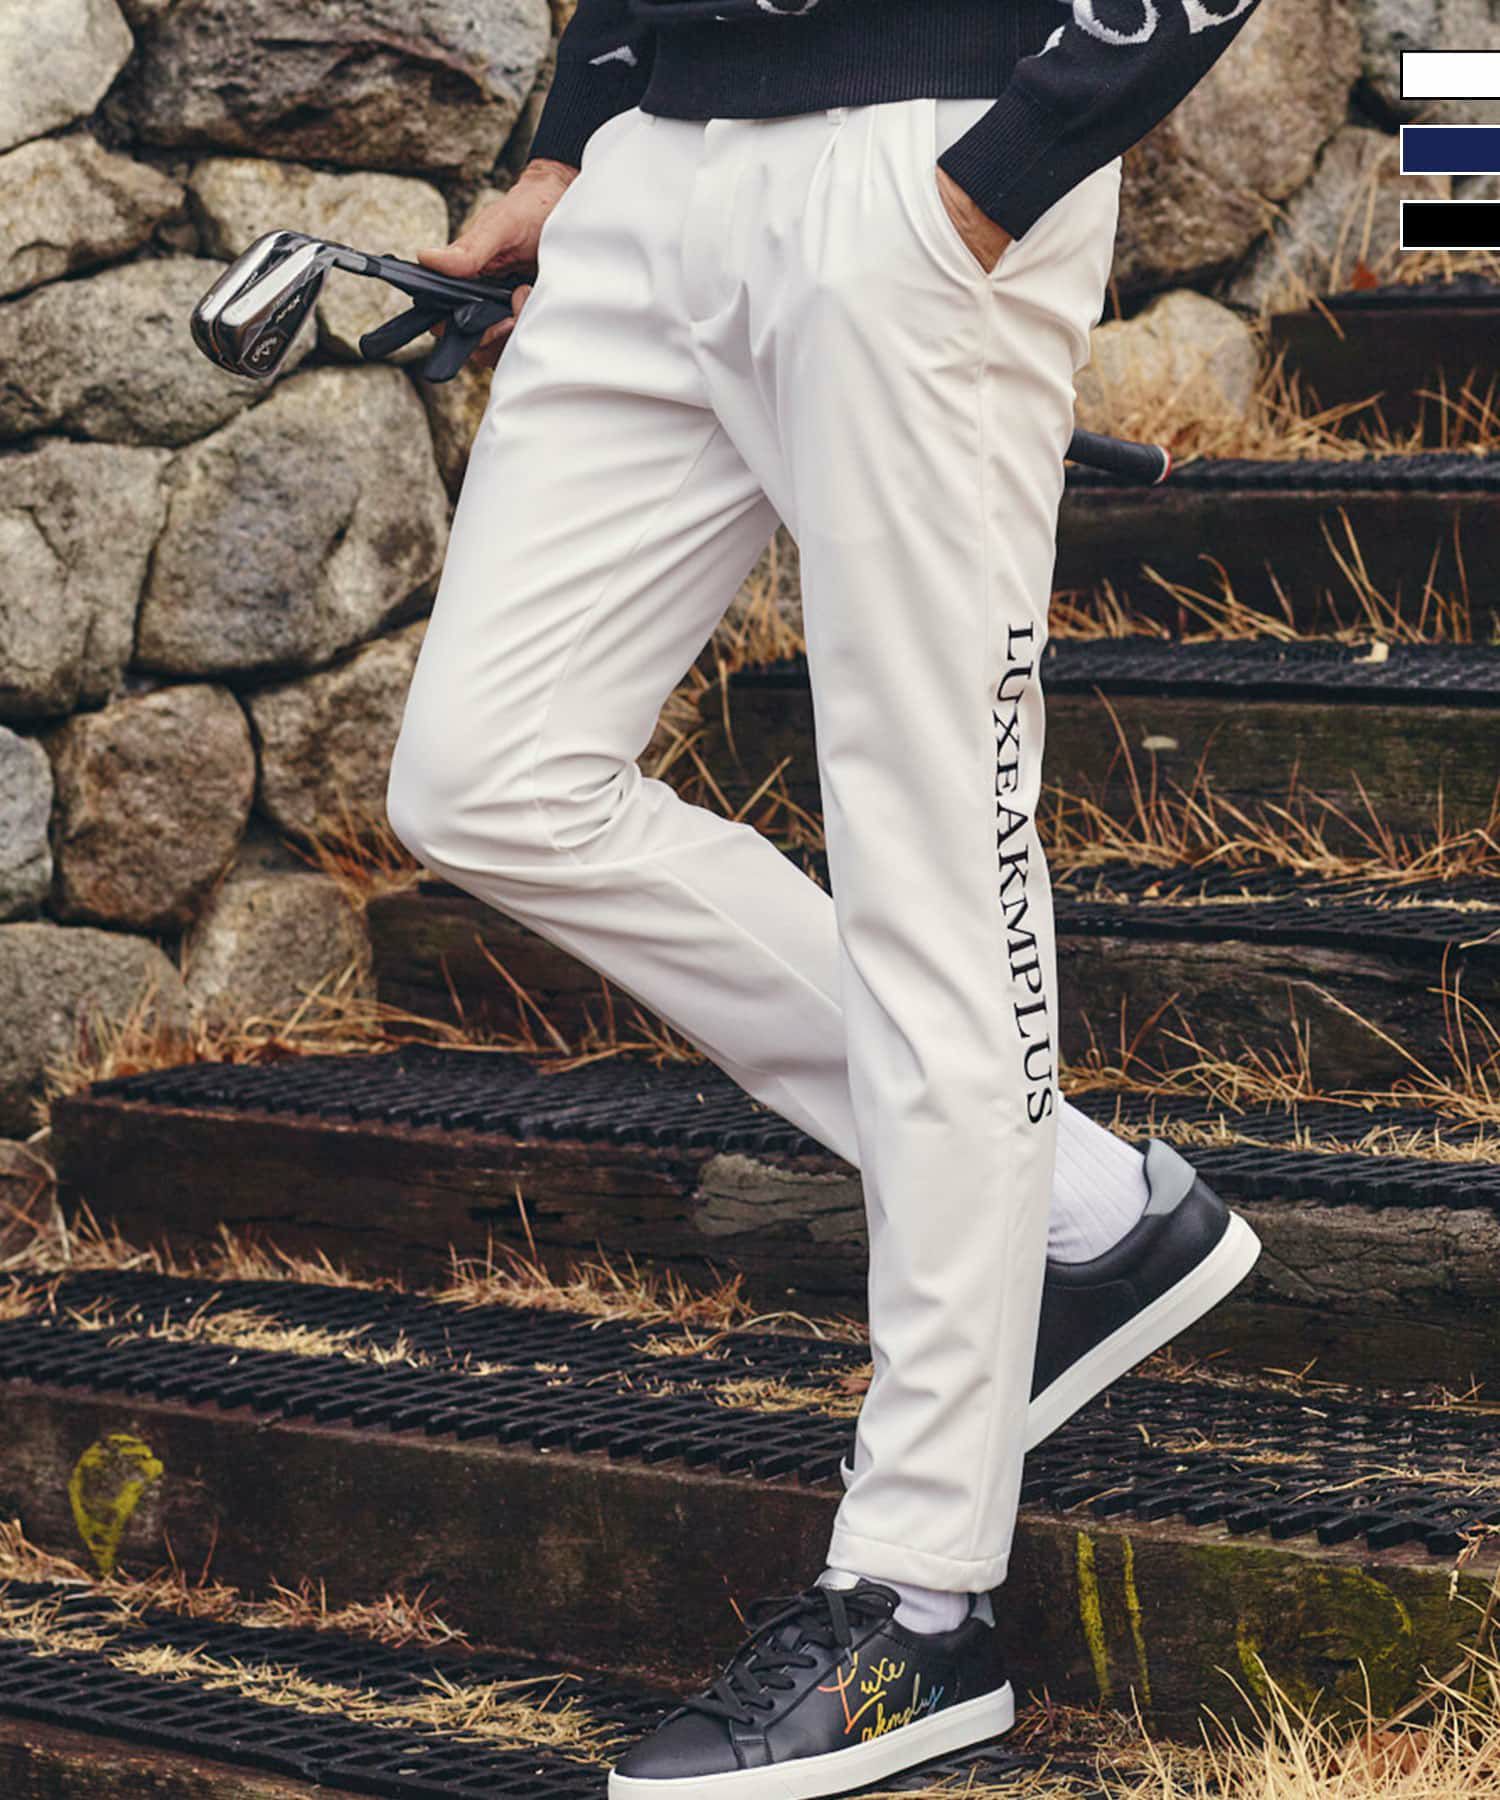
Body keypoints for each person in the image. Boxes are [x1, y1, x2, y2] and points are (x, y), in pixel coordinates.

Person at [386, 1, 1265, 1792]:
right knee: (484, 777)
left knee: (933, 857)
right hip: (654, 174)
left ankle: (920, 1607)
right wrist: (571, 139)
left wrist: (1008, 167)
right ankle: (1083, 1210)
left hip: (931, 156)